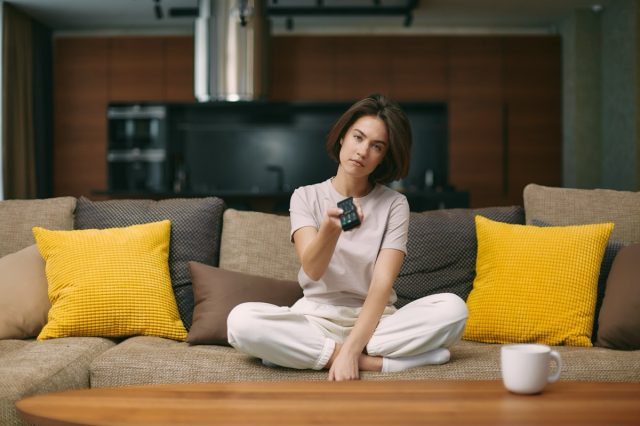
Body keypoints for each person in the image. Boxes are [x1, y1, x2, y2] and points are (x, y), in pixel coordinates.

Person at [227, 94, 468, 381]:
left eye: (376, 146)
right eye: (358, 137)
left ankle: (315, 354)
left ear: (384, 157)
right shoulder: (306, 196)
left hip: (377, 322)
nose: (363, 151)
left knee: (454, 310)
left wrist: (353, 348)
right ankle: (382, 364)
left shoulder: (394, 204)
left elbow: (381, 284)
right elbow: (313, 270)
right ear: (342, 137)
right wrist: (331, 230)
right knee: (240, 322)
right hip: (317, 318)